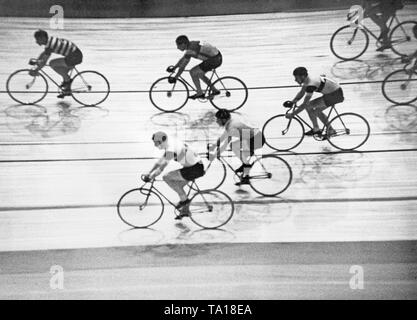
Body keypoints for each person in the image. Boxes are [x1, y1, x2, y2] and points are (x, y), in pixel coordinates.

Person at [143, 131, 205, 219]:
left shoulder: (171, 149)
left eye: (156, 143)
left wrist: (152, 177)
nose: (155, 145)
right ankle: (185, 211)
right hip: (195, 166)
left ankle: (185, 202)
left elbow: (162, 167)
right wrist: (149, 173)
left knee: (166, 177)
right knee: (178, 187)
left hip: (194, 169)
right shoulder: (170, 144)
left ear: (162, 141)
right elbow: (159, 162)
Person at [209, 109, 265, 186]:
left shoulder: (231, 127)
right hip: (254, 137)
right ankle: (245, 177)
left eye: (218, 119)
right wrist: (214, 145)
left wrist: (216, 154)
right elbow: (224, 136)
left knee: (234, 146)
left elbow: (225, 143)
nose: (216, 121)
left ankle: (246, 167)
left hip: (256, 139)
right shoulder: (230, 123)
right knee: (242, 155)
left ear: (224, 119)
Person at [286, 67, 344, 137]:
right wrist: (293, 102)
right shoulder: (308, 79)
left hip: (335, 95)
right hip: (332, 93)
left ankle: (318, 129)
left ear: (303, 76)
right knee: (316, 110)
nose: (295, 80)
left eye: (296, 78)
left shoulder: (311, 85)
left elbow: (305, 104)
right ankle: (326, 130)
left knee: (309, 106)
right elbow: (301, 93)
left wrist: (292, 114)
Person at [30, 29, 83, 98]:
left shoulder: (50, 45)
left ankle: (68, 82)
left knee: (52, 63)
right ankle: (67, 88)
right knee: (61, 70)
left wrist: (36, 70)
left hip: (74, 57)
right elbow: (44, 53)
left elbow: (44, 62)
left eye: (37, 39)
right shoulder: (50, 40)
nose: (36, 42)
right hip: (74, 55)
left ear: (42, 38)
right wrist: (37, 61)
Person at [167, 35, 222, 100]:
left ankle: (200, 93)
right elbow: (183, 59)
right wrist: (175, 67)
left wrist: (175, 78)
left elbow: (182, 67)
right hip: (216, 57)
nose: (177, 47)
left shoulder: (190, 50)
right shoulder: (191, 45)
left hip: (214, 60)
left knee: (192, 72)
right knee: (200, 74)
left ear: (184, 44)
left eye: (178, 45)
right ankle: (214, 90)